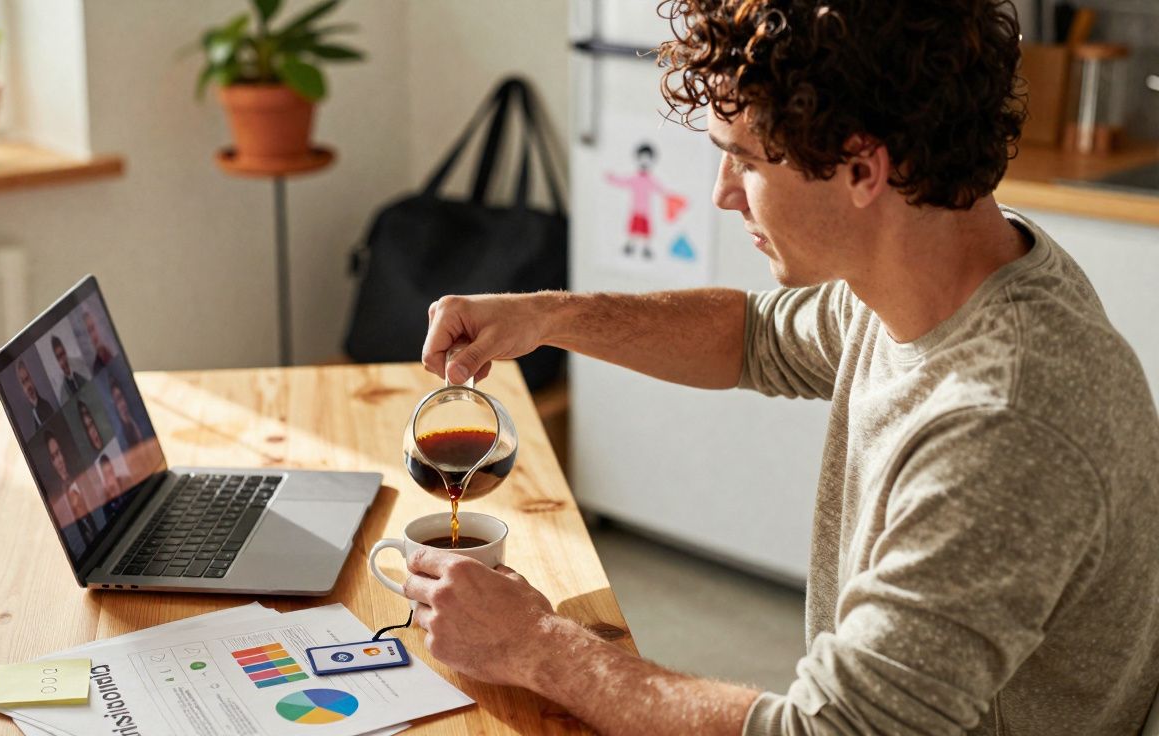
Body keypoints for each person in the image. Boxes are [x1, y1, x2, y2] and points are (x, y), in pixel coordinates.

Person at [409, 2, 1159, 734]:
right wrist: (546, 317)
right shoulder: (944, 272)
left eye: (743, 159)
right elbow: (753, 337)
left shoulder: (1001, 423)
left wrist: (536, 647)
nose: (722, 192)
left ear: (863, 168)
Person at [47, 429, 97, 544]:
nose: (59, 461)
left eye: (58, 453)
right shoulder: (58, 501)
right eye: (53, 457)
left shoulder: (82, 478)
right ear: (51, 463)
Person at [16, 359, 54, 430]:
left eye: (27, 379)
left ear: (32, 378)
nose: (27, 386)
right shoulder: (26, 418)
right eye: (23, 382)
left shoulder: (46, 406)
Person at [51, 335, 90, 401]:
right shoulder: (63, 393)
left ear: (65, 352)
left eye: (63, 354)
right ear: (57, 361)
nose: (63, 360)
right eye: (59, 357)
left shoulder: (82, 366)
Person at [109, 377, 143, 448]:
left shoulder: (141, 422)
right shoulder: (123, 439)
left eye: (121, 397)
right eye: (117, 401)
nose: (122, 404)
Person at [83, 309, 114, 375]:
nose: (93, 335)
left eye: (93, 328)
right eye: (89, 331)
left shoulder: (109, 351)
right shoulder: (96, 368)